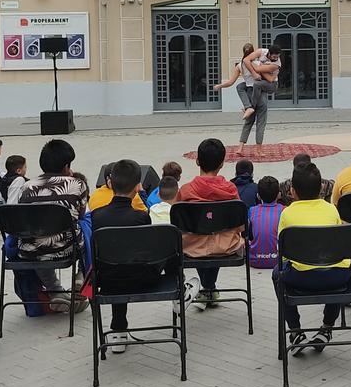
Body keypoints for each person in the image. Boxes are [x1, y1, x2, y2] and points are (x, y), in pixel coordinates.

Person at [90, 159, 180, 354]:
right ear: (138, 186)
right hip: (144, 280)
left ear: (110, 183)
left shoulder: (96, 217)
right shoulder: (141, 216)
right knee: (170, 242)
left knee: (117, 261)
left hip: (107, 282)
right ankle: (180, 294)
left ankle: (118, 330)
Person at [273, 162, 351, 354]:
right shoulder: (332, 209)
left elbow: (281, 252)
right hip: (337, 277)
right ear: (321, 188)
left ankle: (295, 330)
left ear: (292, 191)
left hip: (302, 278)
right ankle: (327, 327)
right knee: (337, 265)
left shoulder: (287, 213)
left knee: (277, 274)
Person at [16, 139, 90, 313]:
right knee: (87, 224)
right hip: (67, 248)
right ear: (66, 166)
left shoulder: (26, 187)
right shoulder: (77, 184)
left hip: (29, 249)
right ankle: (82, 275)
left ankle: (54, 290)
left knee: (39, 243)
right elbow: (80, 215)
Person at [178, 138, 243, 309]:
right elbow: (241, 225)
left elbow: (178, 225)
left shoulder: (185, 190)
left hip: (192, 246)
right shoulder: (231, 189)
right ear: (222, 163)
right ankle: (209, 288)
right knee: (217, 237)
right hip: (226, 246)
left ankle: (208, 288)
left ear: (197, 161)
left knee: (202, 239)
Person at [236, 46, 282, 155]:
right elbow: (252, 66)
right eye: (274, 57)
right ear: (269, 53)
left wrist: (253, 65)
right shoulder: (261, 54)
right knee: (260, 123)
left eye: (277, 57)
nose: (275, 59)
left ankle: (249, 108)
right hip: (259, 94)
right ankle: (257, 150)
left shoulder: (276, 64)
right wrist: (255, 70)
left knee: (249, 122)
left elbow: (268, 78)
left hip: (261, 88)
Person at [213, 43, 258, 120]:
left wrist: (219, 86)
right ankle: (248, 108)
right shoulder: (257, 63)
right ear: (253, 52)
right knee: (240, 86)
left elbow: (230, 82)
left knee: (240, 87)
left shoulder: (240, 65)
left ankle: (247, 108)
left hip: (251, 89)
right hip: (257, 87)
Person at [248, 176, 284, 269]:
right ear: (279, 195)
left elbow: (250, 234)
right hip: (279, 261)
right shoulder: (284, 210)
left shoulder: (252, 211)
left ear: (258, 196)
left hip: (254, 260)